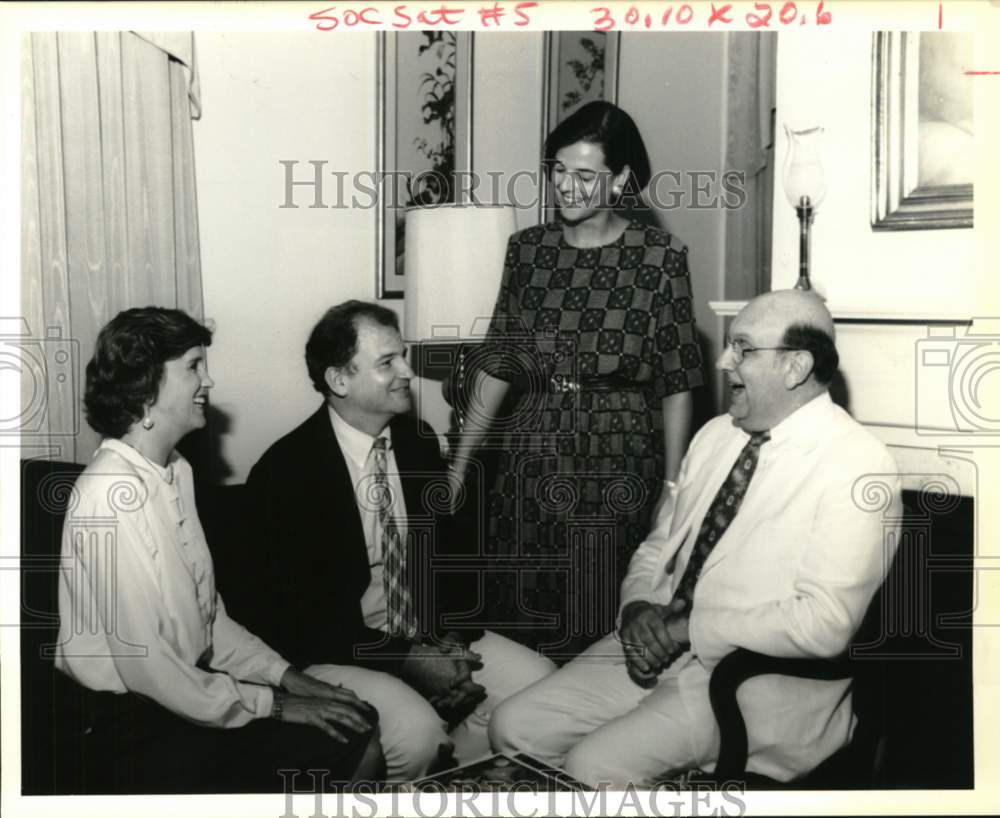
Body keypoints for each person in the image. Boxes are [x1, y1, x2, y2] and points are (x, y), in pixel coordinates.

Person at [489, 290, 902, 787]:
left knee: (593, 769)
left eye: (744, 349)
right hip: (653, 647)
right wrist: (637, 607)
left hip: (751, 685)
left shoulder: (858, 464)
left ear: (796, 366)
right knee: (513, 728)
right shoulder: (714, 436)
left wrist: (688, 630)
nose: (725, 362)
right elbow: (658, 546)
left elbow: (825, 624)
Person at [54, 307, 382, 794]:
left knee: (357, 723)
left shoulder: (177, 471)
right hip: (124, 726)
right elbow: (153, 670)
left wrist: (287, 677)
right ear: (145, 386)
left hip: (180, 697)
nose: (209, 380)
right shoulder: (108, 495)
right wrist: (272, 703)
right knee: (350, 743)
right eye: (193, 366)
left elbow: (209, 620)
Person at [233, 301, 555, 782]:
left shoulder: (417, 441)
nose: (407, 371)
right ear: (340, 380)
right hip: (340, 650)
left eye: (401, 355)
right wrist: (409, 661)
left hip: (423, 632)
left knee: (541, 686)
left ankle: (454, 786)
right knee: (417, 735)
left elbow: (446, 560)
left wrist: (444, 643)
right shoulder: (286, 473)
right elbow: (298, 621)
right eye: (388, 362)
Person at [448, 100, 705, 659]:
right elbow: (499, 363)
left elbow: (677, 378)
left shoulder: (660, 258)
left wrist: (672, 487)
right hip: (531, 452)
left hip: (618, 453)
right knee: (520, 609)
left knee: (597, 615)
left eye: (585, 175)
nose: (566, 186)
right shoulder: (527, 251)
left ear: (619, 182)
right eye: (558, 170)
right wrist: (461, 462)